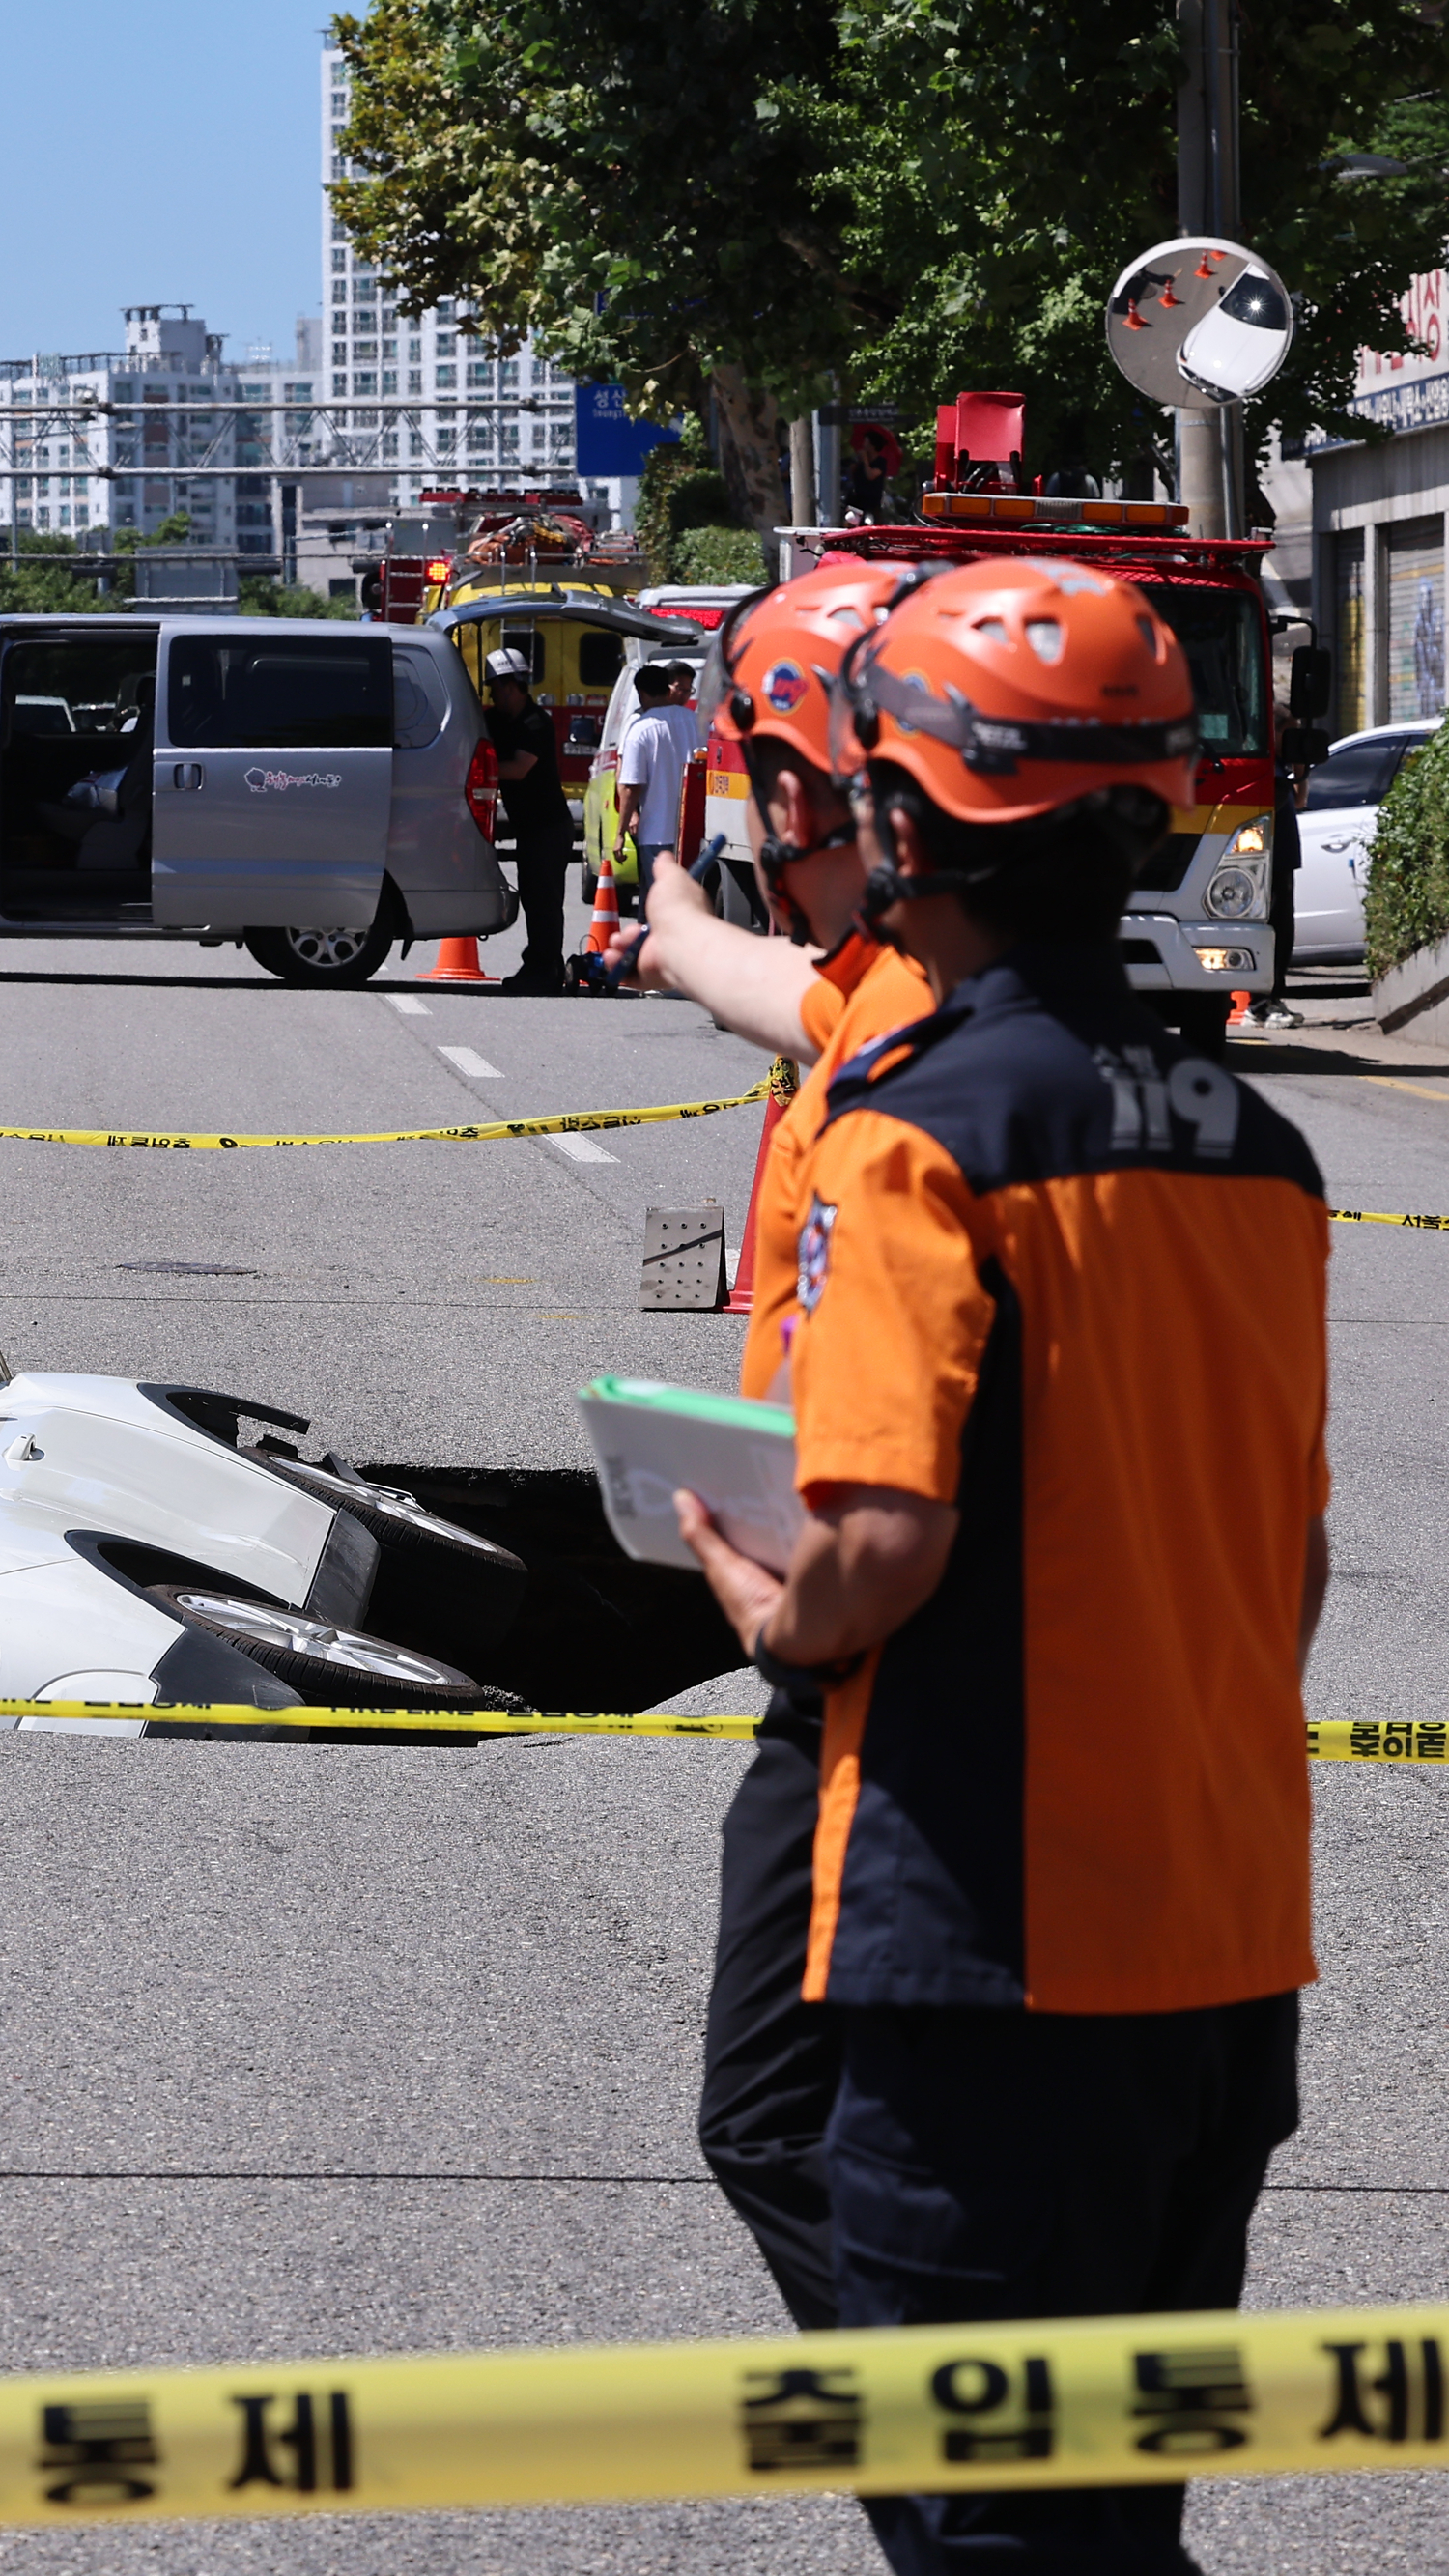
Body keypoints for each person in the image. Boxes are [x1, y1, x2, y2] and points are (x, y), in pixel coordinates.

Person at [675, 553, 1333, 2576]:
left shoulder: (916, 1130)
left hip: (992, 1931)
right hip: (1217, 1930)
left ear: (902, 814)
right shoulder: (1250, 1139)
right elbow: (1291, 1555)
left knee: (998, 2531)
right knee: (1102, 2505)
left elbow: (875, 1537)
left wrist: (763, 1602)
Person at [600, 556, 938, 2331]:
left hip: (886, 1669)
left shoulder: (916, 1070)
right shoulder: (935, 1012)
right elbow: (775, 986)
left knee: (786, 2121)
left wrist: (789, 1610)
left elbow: (897, 1523)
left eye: (773, 794)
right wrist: (672, 925)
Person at [478, 647, 576, 991]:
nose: (492, 694)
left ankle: (545, 970)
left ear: (512, 685)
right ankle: (540, 964)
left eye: (495, 687)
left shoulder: (535, 722)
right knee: (536, 899)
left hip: (548, 825)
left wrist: (475, 771)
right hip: (531, 825)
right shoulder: (500, 721)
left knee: (543, 901)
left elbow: (518, 769)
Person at [612, 657, 704, 905]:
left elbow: (631, 786)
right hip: (694, 830)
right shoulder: (695, 722)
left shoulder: (640, 729)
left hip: (656, 832)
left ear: (641, 693)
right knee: (690, 902)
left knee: (661, 904)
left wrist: (620, 832)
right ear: (667, 688)